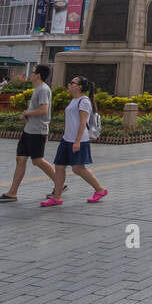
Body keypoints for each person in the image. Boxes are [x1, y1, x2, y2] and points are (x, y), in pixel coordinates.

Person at [0, 64, 57, 203]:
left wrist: (26, 113)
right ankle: (12, 193)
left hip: (37, 130)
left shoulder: (43, 89)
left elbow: (43, 110)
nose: (30, 75)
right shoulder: (38, 89)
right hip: (29, 130)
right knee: (20, 159)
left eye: (33, 72)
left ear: (38, 75)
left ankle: (59, 183)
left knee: (37, 160)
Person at [42, 76, 108, 206]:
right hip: (67, 139)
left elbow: (83, 123)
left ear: (80, 87)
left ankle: (100, 189)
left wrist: (77, 141)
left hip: (78, 140)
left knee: (78, 168)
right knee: (59, 167)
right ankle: (57, 197)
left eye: (72, 83)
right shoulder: (74, 100)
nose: (69, 84)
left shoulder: (84, 101)